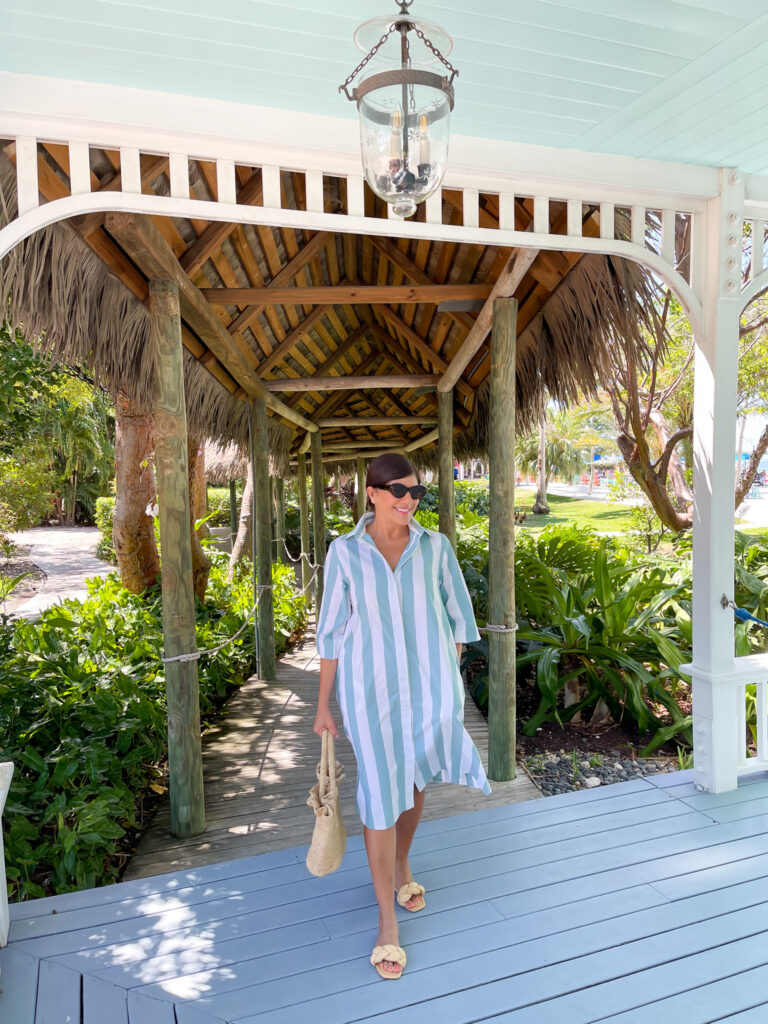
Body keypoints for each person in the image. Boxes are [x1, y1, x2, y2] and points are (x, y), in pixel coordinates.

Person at [314, 452, 491, 981]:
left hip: (431, 689)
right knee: (377, 791)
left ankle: (402, 866)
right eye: (397, 490)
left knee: (415, 781)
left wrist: (447, 677)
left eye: (416, 491)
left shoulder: (435, 548)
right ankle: (386, 921)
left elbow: (459, 617)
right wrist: (323, 704)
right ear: (371, 493)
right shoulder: (344, 553)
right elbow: (331, 632)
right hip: (369, 693)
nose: (408, 500)